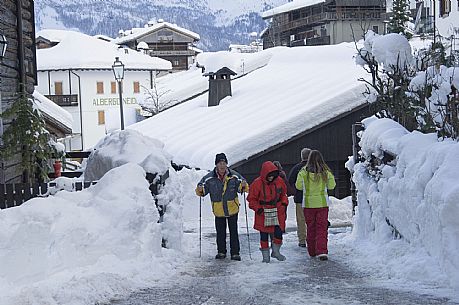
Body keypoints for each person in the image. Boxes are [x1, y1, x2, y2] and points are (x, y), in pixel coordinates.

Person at [195, 153, 248, 261]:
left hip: (232, 208)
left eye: (224, 163)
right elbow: (202, 189)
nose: (222, 166)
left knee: (234, 231)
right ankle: (221, 252)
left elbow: (242, 187)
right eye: (220, 163)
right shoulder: (209, 178)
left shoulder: (234, 176)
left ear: (227, 164)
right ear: (216, 165)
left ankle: (235, 253)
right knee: (220, 232)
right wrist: (200, 190)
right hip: (218, 209)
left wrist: (243, 186)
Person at [295, 150, 335, 261]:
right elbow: (332, 186)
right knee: (321, 228)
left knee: (311, 228)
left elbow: (298, 186)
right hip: (322, 204)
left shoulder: (303, 172)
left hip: (308, 205)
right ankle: (322, 251)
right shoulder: (325, 172)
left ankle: (312, 251)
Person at [247, 161, 288, 263]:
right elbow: (251, 199)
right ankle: (265, 257)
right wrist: (258, 208)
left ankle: (275, 251)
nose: (271, 178)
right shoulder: (257, 184)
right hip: (263, 212)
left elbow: (284, 195)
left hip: (277, 210)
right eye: (269, 176)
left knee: (278, 232)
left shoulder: (279, 181)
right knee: (264, 234)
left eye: (273, 176)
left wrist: (283, 204)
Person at [287, 148, 311, 247]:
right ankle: (311, 239)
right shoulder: (314, 167)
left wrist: (295, 191)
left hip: (299, 198)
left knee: (301, 219)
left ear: (302, 156)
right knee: (311, 220)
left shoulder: (297, 168)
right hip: (313, 199)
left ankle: (302, 240)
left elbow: (290, 181)